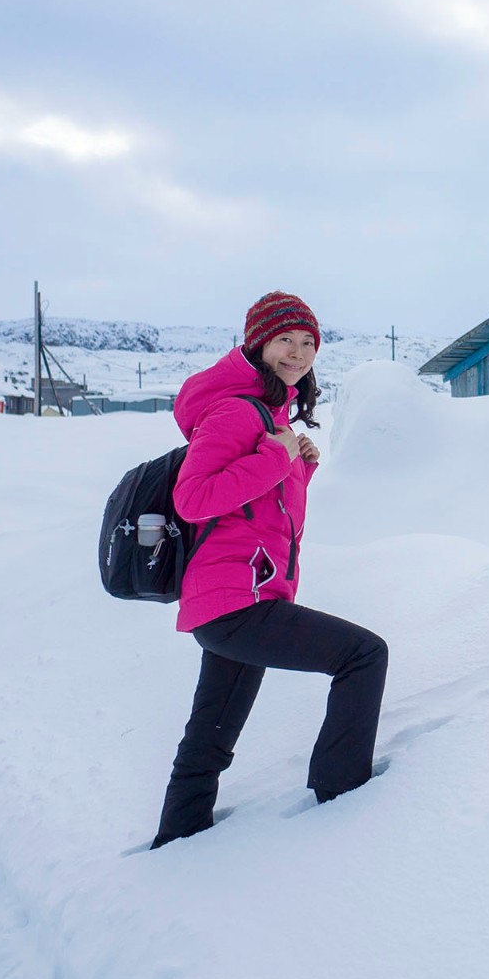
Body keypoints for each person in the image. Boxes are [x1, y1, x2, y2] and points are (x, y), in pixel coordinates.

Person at [151, 291, 389, 849]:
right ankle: (343, 797)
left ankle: (177, 841)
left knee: (210, 737)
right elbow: (194, 498)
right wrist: (275, 456)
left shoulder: (268, 414)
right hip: (238, 601)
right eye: (286, 339)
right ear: (258, 342)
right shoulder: (236, 411)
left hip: (236, 601)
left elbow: (261, 514)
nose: (299, 353)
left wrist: (296, 467)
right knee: (363, 656)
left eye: (309, 343)